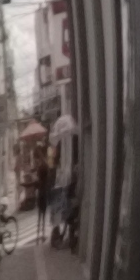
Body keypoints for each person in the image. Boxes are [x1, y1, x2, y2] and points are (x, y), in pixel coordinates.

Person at [50, 106, 82, 247]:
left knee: (63, 209)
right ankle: (63, 234)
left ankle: (64, 234)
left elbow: (54, 162)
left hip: (65, 183)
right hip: (65, 183)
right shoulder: (65, 148)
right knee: (63, 209)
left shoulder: (66, 148)